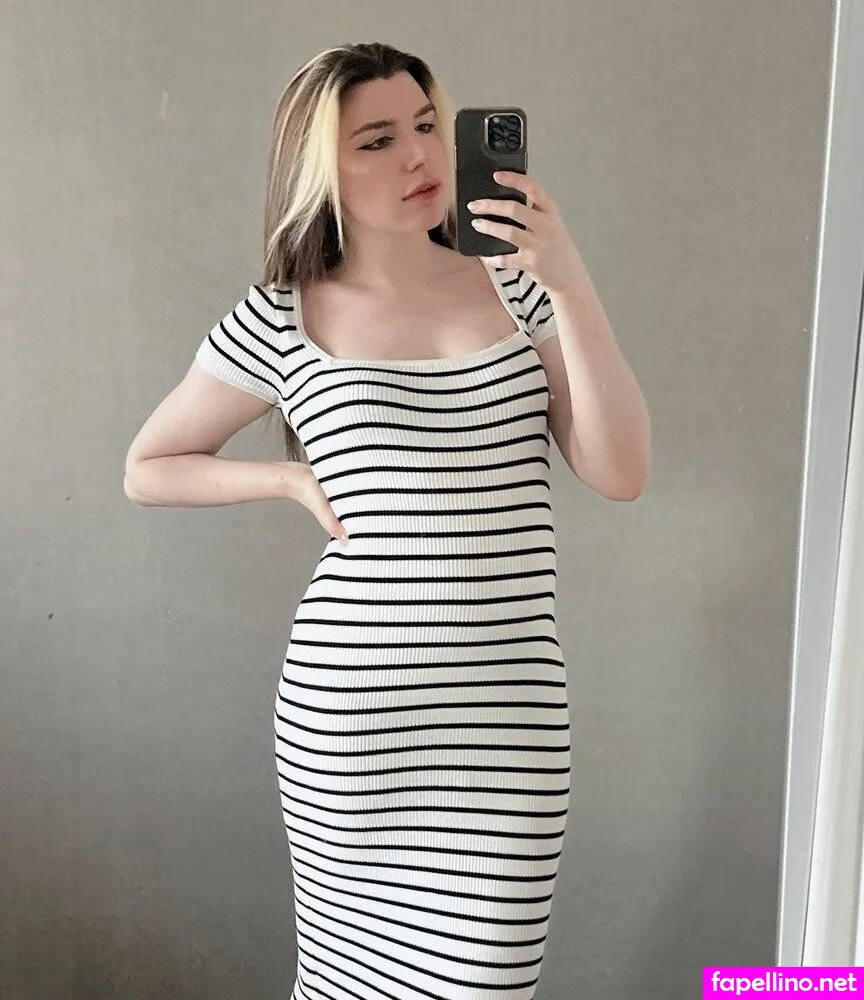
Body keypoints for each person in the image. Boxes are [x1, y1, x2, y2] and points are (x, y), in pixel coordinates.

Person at [125, 40, 599, 1000]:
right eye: (376, 141)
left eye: (425, 124)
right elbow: (149, 467)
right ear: (322, 170)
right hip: (354, 720)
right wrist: (288, 481)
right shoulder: (282, 315)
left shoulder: (519, 286)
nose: (419, 156)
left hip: (509, 717)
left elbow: (618, 470)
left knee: (488, 978)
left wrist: (571, 281)